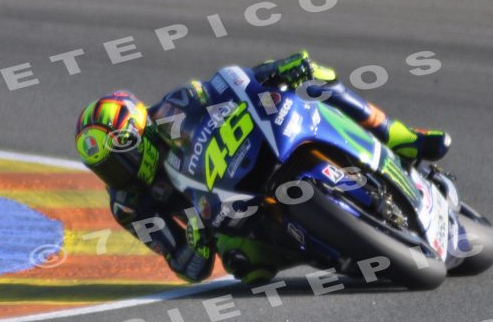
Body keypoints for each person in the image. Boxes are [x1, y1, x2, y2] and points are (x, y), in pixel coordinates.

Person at [75, 51, 450, 284]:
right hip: (225, 221)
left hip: (245, 161)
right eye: (107, 168)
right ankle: (335, 251)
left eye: (123, 157)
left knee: (313, 80)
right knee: (246, 269)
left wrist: (271, 72)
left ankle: (402, 136)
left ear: (140, 131)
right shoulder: (129, 206)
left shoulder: (173, 108)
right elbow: (187, 268)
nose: (120, 173)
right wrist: (195, 235)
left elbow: (228, 87)